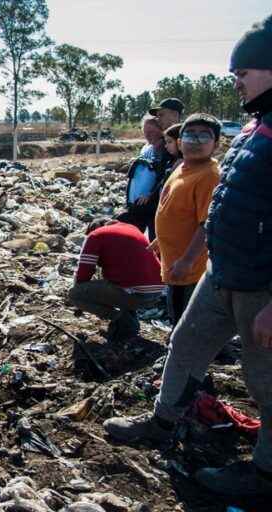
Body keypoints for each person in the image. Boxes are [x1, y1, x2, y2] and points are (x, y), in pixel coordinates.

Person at [104, 14, 272, 496]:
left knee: (264, 381)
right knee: (184, 343)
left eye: (245, 69)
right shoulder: (258, 126)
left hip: (260, 284)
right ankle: (162, 421)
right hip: (222, 272)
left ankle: (264, 474)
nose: (236, 78)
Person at [149, 114, 221, 327]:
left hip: (190, 269)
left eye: (203, 136)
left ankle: (182, 357)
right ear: (180, 143)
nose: (196, 142)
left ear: (215, 145)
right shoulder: (183, 167)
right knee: (177, 312)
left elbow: (207, 224)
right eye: (190, 135)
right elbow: (174, 209)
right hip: (174, 261)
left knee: (187, 321)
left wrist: (187, 260)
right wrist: (160, 240)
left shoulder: (209, 175)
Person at [69, 218, 164, 342]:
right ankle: (131, 325)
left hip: (136, 292)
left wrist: (80, 302)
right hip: (157, 291)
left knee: (75, 294)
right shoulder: (132, 228)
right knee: (117, 286)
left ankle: (120, 319)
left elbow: (84, 272)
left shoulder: (95, 235)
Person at [117, 116, 165, 240]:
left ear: (161, 130)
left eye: (151, 132)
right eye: (145, 132)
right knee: (132, 238)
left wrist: (150, 194)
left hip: (151, 203)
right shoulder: (146, 148)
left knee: (153, 240)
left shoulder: (165, 149)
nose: (148, 135)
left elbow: (164, 177)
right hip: (136, 202)